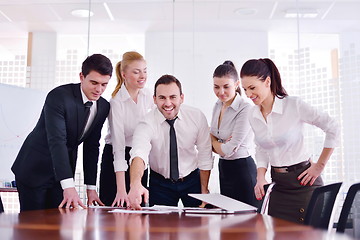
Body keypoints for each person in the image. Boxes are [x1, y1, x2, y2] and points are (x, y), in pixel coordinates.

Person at [240, 58, 339, 223]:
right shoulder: (252, 114)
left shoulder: (294, 105)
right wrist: (260, 177)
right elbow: (261, 148)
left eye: (252, 88)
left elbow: (332, 127)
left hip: (304, 183)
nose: (249, 95)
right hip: (279, 186)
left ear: (267, 82)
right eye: (244, 90)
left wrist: (319, 166)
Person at [11, 54, 113, 211]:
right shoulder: (58, 96)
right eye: (94, 83)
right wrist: (69, 185)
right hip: (34, 169)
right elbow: (57, 140)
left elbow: (92, 146)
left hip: (62, 173)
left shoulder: (103, 106)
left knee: (59, 226)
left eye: (104, 84)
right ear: (81, 76)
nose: (99, 89)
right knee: (33, 228)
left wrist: (91, 187)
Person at [127, 74, 213, 210]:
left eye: (173, 97)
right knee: (160, 228)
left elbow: (205, 154)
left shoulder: (196, 117)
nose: (167, 103)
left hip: (192, 179)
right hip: (160, 183)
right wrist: (135, 183)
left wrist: (204, 189)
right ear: (154, 99)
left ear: (181, 98)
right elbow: (139, 153)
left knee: (198, 227)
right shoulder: (146, 122)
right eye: (162, 98)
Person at [99, 51, 153, 207]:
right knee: (115, 210)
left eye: (144, 70)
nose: (142, 75)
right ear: (124, 74)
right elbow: (119, 148)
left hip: (138, 157)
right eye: (136, 72)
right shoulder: (117, 102)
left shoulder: (147, 95)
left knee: (138, 211)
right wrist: (121, 190)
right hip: (115, 158)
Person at [210, 60, 259, 207]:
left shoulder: (245, 108)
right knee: (228, 223)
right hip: (224, 169)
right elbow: (218, 143)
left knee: (248, 224)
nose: (221, 92)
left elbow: (229, 150)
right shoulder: (217, 105)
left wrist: (213, 142)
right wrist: (220, 144)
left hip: (243, 169)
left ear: (237, 84)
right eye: (216, 87)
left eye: (226, 87)